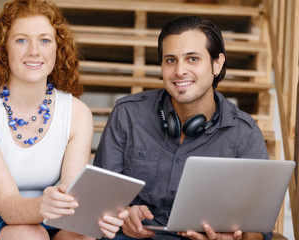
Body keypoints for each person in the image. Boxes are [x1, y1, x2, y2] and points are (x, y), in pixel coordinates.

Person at [0, 0, 127, 239]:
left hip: (47, 217)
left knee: (82, 235)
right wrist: (43, 207)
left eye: (45, 40)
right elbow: (8, 207)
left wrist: (99, 217)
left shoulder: (77, 113)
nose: (34, 51)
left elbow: (70, 199)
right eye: (21, 40)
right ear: (3, 49)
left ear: (57, 49)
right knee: (31, 235)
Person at [93, 15, 272, 240]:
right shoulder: (128, 114)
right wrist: (124, 215)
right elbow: (100, 202)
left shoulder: (244, 134)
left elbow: (257, 230)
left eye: (193, 59)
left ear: (217, 64)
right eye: (170, 60)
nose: (179, 71)